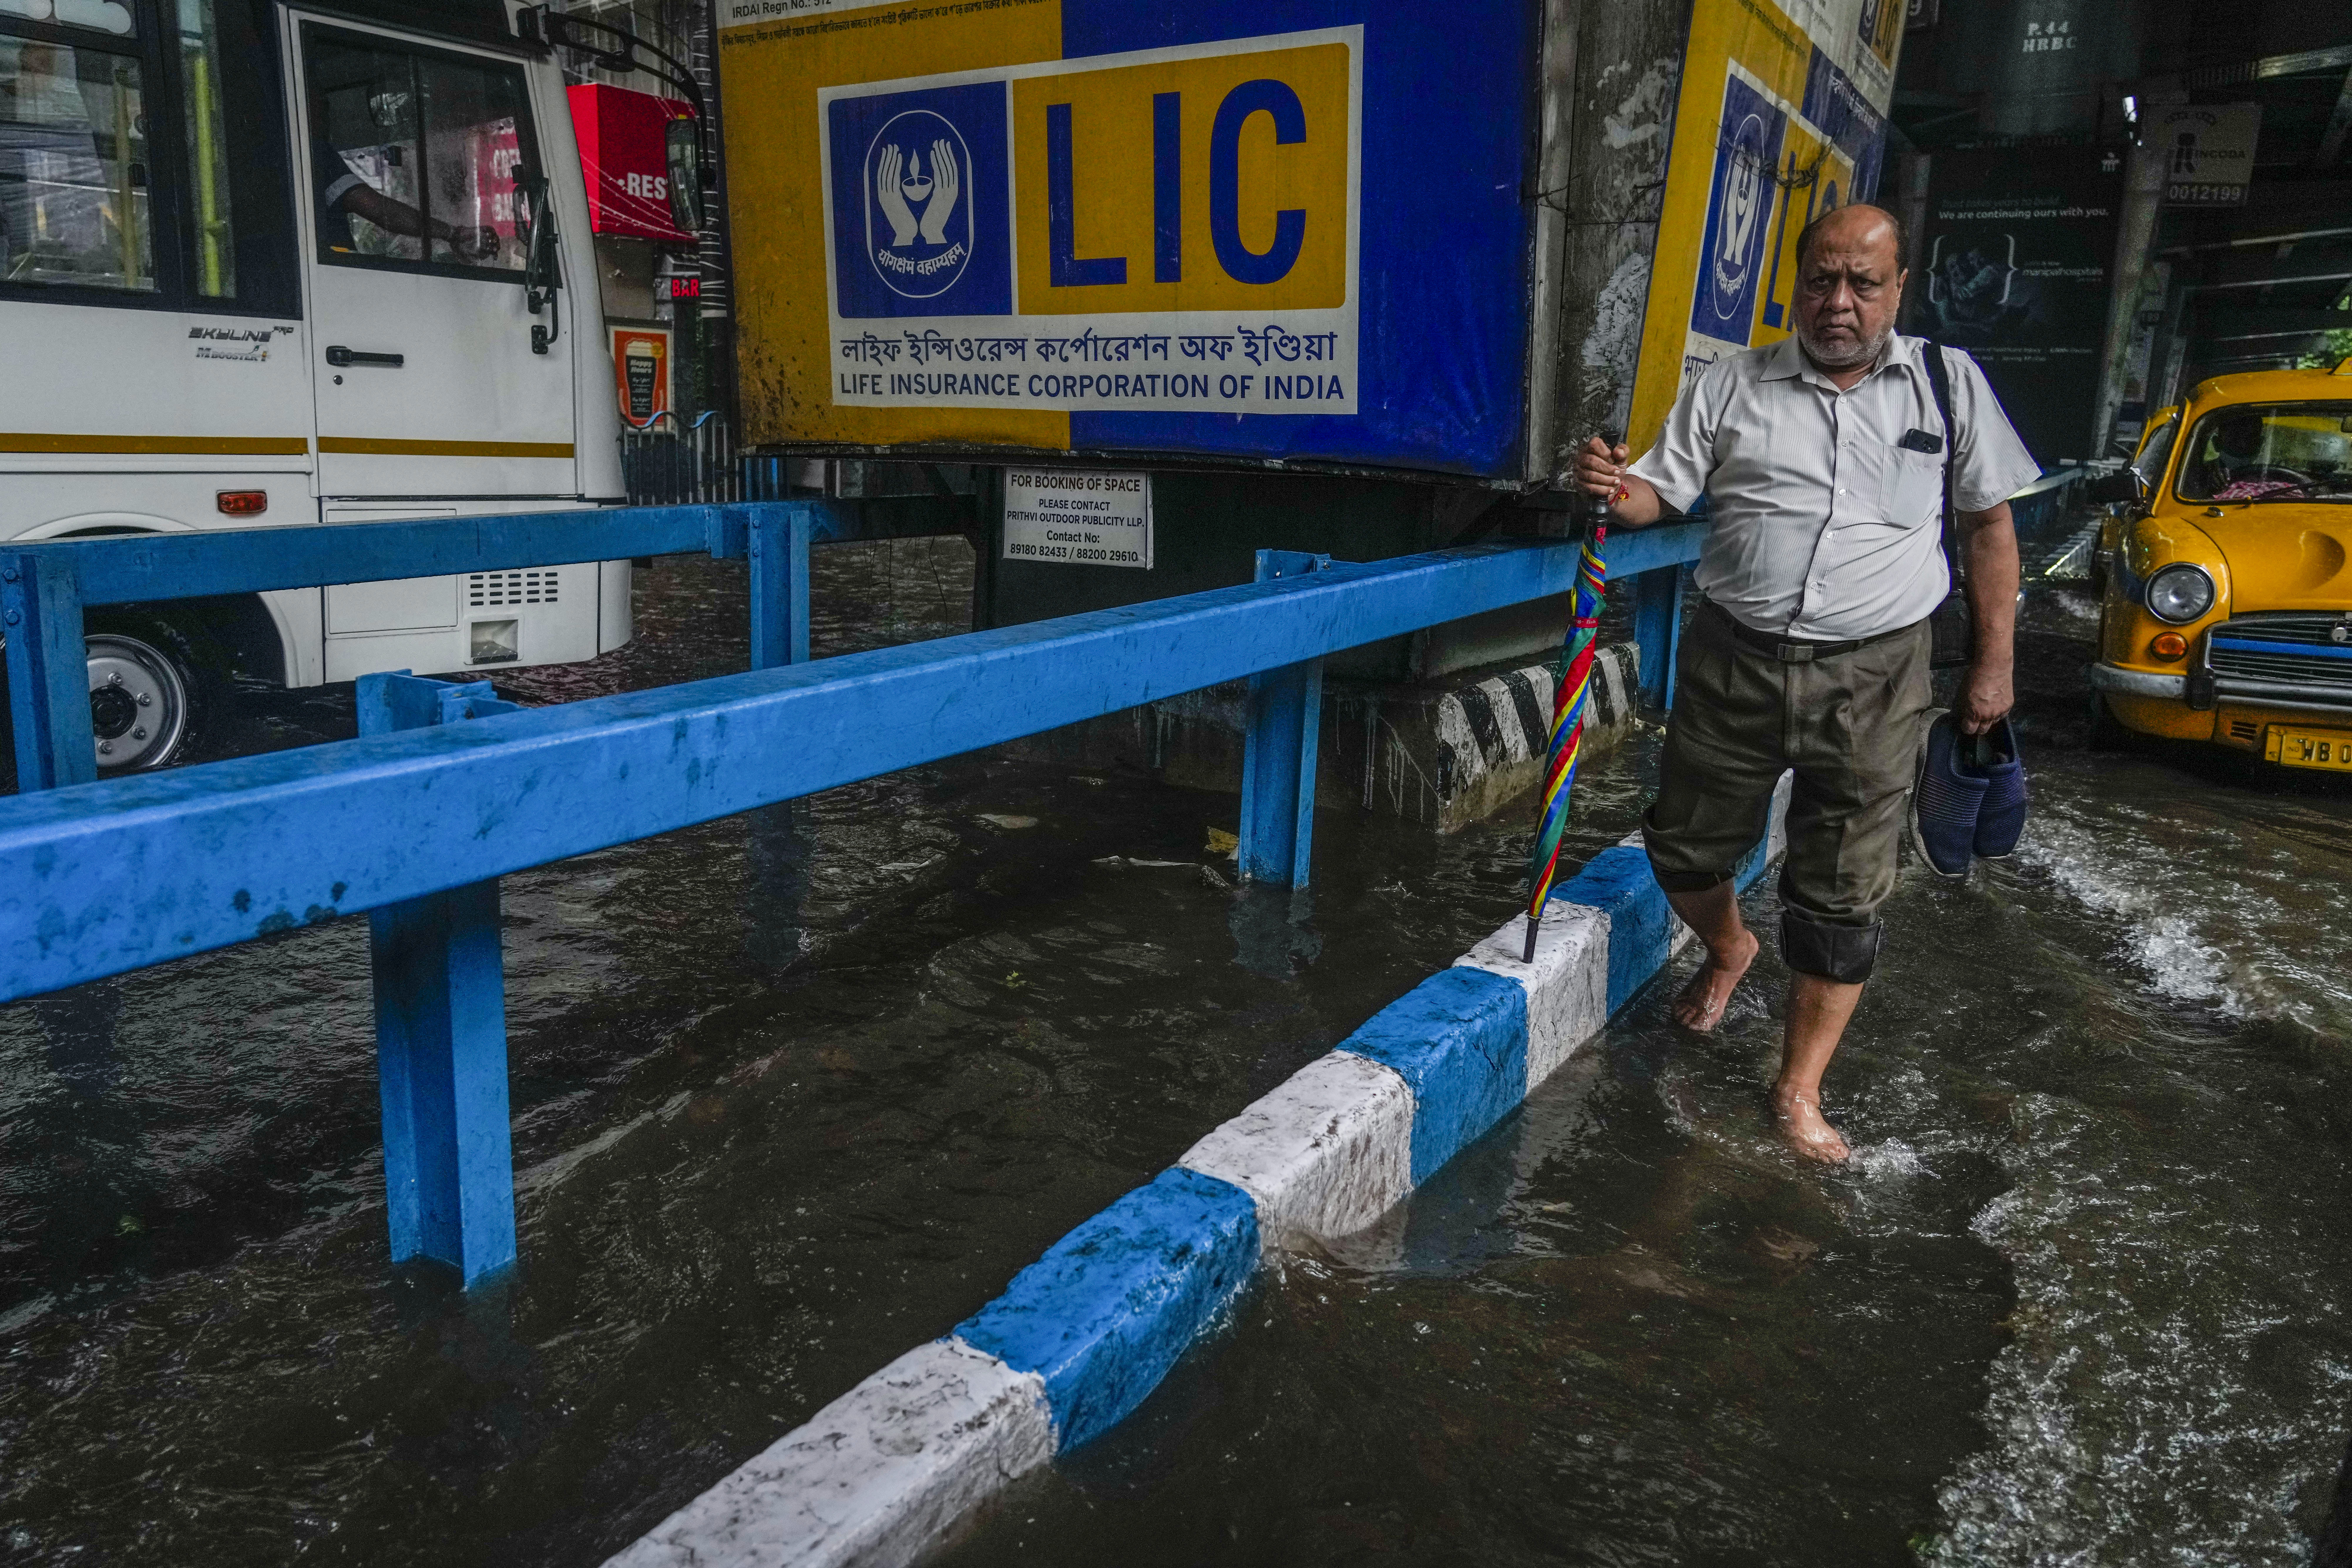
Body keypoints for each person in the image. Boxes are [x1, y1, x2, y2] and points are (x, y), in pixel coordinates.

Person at [1571, 202, 2039, 1164]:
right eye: (1822, 279)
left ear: (1899, 288)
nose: (1839, 302)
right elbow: (1663, 492)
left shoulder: (1948, 387)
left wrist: (1992, 666)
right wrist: (1616, 487)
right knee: (1683, 845)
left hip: (1879, 674)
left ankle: (1798, 1089)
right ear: (1796, 283)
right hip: (1733, 657)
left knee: (1842, 892)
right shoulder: (1731, 384)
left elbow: (1990, 529)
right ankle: (1731, 946)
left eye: (1863, 283)